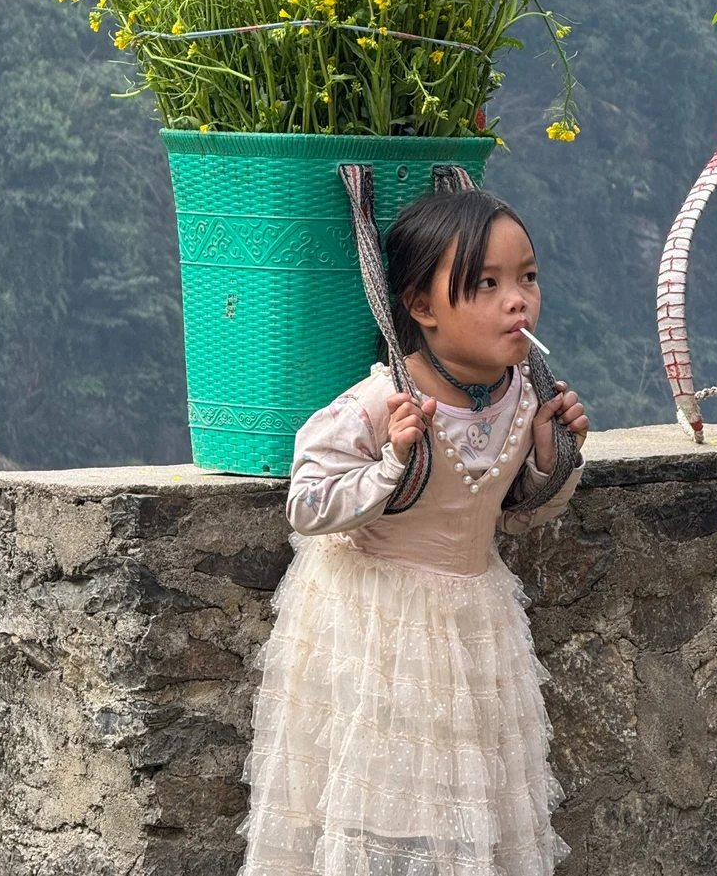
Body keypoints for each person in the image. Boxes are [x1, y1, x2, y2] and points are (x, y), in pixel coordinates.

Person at [237, 188, 590, 876]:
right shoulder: (386, 400)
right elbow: (306, 501)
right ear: (422, 307)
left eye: (526, 277)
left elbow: (516, 509)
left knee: (466, 809)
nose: (517, 300)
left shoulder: (525, 393)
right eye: (486, 284)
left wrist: (552, 451)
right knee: (376, 806)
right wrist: (392, 462)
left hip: (475, 624)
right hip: (375, 625)